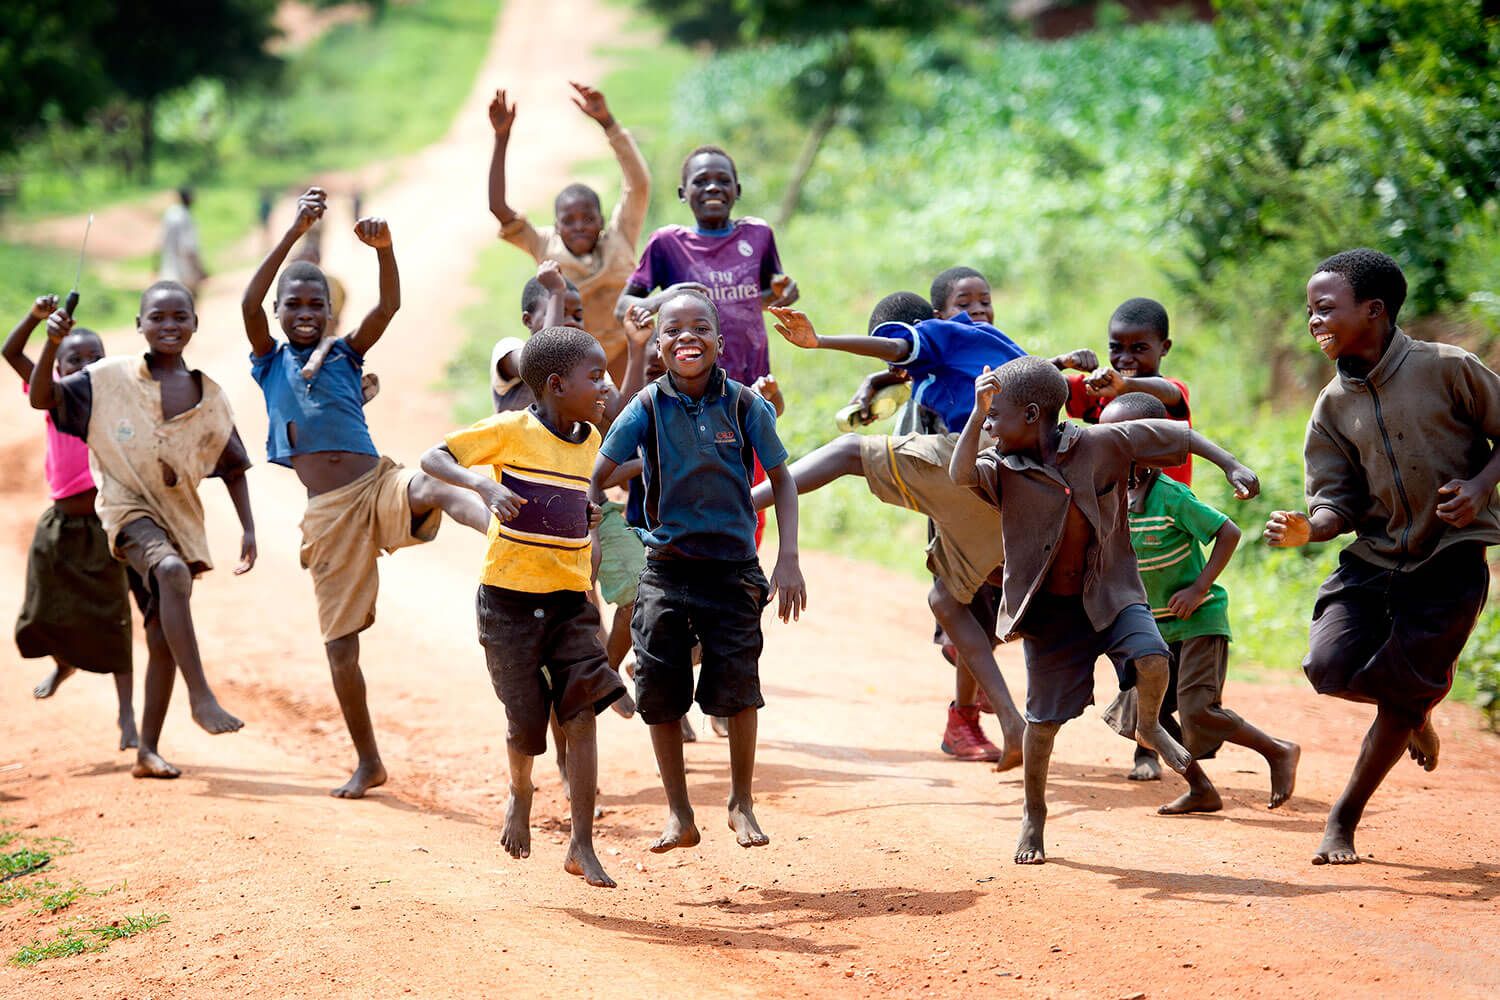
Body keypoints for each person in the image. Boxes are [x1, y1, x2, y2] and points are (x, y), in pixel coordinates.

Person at [950, 356, 1260, 865]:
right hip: (1051, 611)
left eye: (995, 415)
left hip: (1111, 591)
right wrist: (976, 410)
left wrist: (1230, 463)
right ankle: (1034, 814)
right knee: (1043, 723)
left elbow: (1176, 435)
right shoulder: (1000, 466)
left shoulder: (1100, 443)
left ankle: (1152, 725)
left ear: (1032, 415)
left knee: (1154, 658)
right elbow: (960, 473)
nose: (988, 425)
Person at [240, 187, 490, 800]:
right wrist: (297, 229)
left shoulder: (347, 356)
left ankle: (508, 529)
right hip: (327, 515)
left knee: (433, 481)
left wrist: (385, 249)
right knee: (341, 648)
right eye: (293, 303)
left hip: (376, 483)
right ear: (278, 312)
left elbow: (390, 305)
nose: (304, 311)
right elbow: (248, 298)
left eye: (315, 303)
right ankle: (368, 759)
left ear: (329, 311)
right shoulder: (270, 362)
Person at [1264, 248, 1500, 866]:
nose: (1314, 322)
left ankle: (1342, 820)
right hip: (1374, 558)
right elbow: (1334, 500)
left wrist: (1479, 489)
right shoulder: (1332, 406)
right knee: (1327, 666)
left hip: (1451, 557)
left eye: (1325, 309)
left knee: (1398, 694)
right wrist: (1308, 530)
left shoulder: (1448, 369)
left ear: (1375, 310)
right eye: (1309, 312)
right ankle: (1415, 705)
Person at [760, 292, 1026, 766]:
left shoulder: (936, 335)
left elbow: (902, 347)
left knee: (846, 452)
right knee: (946, 599)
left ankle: (740, 505)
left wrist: (820, 341)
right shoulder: (985, 341)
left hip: (987, 458)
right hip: (1030, 478)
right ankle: (1011, 721)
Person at [591, 289, 806, 853]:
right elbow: (599, 473)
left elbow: (782, 480)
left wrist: (787, 558)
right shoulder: (645, 407)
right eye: (674, 330)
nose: (688, 336)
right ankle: (679, 813)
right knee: (659, 689)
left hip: (734, 567)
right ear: (658, 345)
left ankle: (741, 802)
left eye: (701, 327)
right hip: (666, 567)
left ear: (719, 339)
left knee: (738, 686)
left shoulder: (743, 405)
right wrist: (597, 527)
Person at [421, 326, 626, 888]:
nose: (605, 385)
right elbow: (433, 456)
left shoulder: (592, 442)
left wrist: (587, 527)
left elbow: (585, 503)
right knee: (525, 721)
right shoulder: (511, 430)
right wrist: (482, 488)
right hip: (508, 599)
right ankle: (521, 789)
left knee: (580, 714)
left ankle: (582, 844)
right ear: (557, 385)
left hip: (568, 598)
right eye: (596, 376)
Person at [30, 283, 255, 780]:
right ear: (139, 325)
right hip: (125, 509)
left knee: (159, 638)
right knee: (171, 572)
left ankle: (147, 751)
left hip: (180, 518)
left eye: (180, 316)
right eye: (157, 317)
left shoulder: (209, 396)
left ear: (195, 323)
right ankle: (201, 696)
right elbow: (42, 397)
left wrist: (249, 530)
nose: (169, 325)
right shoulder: (108, 378)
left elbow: (234, 464)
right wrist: (49, 343)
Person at [1096, 392, 1300, 814]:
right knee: (1143, 721)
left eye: (1123, 440)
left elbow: (1228, 533)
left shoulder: (1172, 497)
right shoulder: (1106, 496)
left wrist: (1199, 588)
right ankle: (1201, 788)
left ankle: (1277, 751)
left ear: (1151, 450)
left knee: (1198, 710)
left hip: (1197, 620)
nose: (1110, 448)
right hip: (1149, 627)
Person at [616, 145, 799, 547]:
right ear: (683, 193)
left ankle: (739, 577)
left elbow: (766, 294)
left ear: (738, 188)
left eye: (721, 179)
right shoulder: (667, 244)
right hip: (685, 397)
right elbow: (624, 307)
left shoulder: (759, 235)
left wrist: (786, 293)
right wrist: (666, 297)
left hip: (744, 394)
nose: (712, 186)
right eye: (700, 180)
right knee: (687, 490)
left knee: (744, 497)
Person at [5, 295, 135, 749]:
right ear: (56, 367)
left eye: (94, 357)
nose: (85, 365)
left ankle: (127, 718)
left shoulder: (116, 400)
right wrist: (39, 322)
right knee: (46, 605)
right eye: (72, 359)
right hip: (60, 519)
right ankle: (63, 662)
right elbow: (10, 352)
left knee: (114, 616)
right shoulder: (52, 394)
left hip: (104, 523)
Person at [488, 83, 650, 386]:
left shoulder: (619, 238)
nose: (579, 226)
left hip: (627, 353)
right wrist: (501, 138)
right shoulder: (544, 245)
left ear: (601, 221)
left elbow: (638, 185)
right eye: (569, 220)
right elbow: (498, 207)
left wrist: (608, 124)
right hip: (576, 364)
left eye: (588, 218)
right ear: (556, 225)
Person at [1048, 296, 1193, 485]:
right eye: (1116, 348)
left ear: (1164, 347)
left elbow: (1172, 392)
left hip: (1167, 511)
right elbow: (1038, 382)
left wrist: (1126, 386)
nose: (1125, 358)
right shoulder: (1100, 388)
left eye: (1139, 348)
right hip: (1116, 510)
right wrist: (1060, 362)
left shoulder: (1168, 392)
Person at [159, 187, 206, 298]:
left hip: (168, 271)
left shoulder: (170, 214)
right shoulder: (186, 218)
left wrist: (156, 265)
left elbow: (161, 241)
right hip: (185, 273)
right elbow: (189, 249)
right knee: (189, 305)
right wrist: (200, 270)